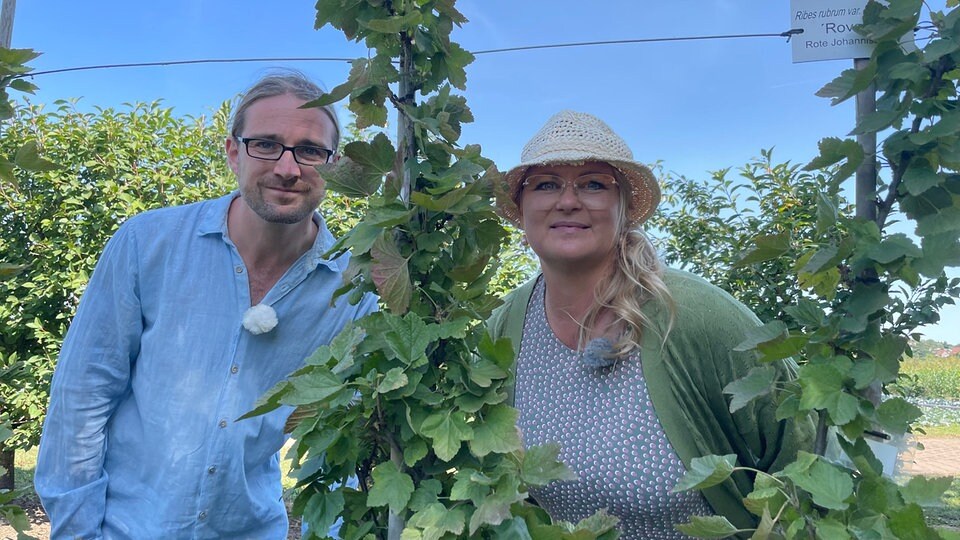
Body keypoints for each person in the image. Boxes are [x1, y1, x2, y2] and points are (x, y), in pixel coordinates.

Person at [35, 70, 378, 539]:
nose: (288, 167)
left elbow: (341, 441)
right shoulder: (146, 244)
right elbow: (83, 396)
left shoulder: (352, 290)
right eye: (266, 144)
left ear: (333, 165)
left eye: (310, 150)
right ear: (233, 152)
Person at [487, 110, 813, 538]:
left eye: (593, 184)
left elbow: (805, 455)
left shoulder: (697, 316)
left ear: (624, 207)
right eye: (546, 184)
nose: (567, 201)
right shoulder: (508, 325)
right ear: (522, 205)